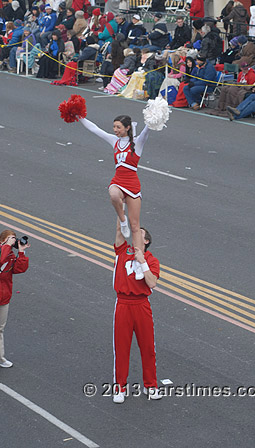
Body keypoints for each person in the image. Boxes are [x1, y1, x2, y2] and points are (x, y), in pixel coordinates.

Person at [79, 115, 150, 264]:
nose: (115, 130)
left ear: (127, 128)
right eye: (114, 127)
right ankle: (122, 220)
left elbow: (146, 131)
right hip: (118, 180)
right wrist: (79, 116)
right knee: (113, 194)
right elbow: (94, 129)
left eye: (118, 127)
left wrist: (153, 118)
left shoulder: (137, 143)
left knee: (136, 226)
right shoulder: (114, 141)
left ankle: (139, 261)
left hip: (133, 184)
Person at [112, 218, 161, 403]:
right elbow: (119, 229)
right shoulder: (123, 251)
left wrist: (142, 262)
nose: (135, 233)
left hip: (141, 304)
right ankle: (119, 387)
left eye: (139, 232)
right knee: (121, 348)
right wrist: (122, 207)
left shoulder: (152, 260)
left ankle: (151, 386)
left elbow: (152, 283)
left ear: (146, 241)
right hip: (123, 304)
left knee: (147, 347)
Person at [0, 230, 29, 368]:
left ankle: (0, 358)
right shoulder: (3, 251)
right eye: (9, 239)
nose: (12, 241)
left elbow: (20, 269)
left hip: (3, 297)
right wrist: (6, 246)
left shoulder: (10, 255)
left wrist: (21, 252)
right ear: (2, 241)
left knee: (0, 329)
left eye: (14, 239)